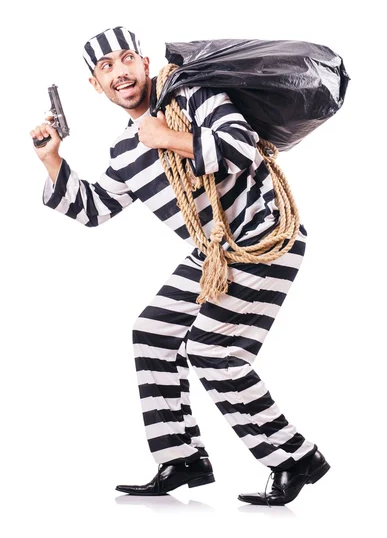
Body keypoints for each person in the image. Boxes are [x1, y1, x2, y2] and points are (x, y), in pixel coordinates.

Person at [30, 26, 330, 506]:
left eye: (126, 59)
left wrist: (168, 135)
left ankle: (294, 457)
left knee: (213, 352)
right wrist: (52, 161)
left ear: (144, 64)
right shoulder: (125, 151)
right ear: (95, 84)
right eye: (106, 67)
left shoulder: (194, 97)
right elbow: (94, 209)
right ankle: (181, 457)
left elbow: (242, 149)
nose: (119, 72)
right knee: (151, 331)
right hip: (213, 255)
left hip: (262, 237)